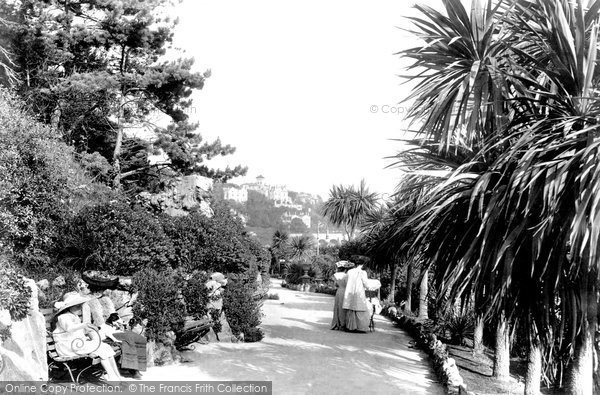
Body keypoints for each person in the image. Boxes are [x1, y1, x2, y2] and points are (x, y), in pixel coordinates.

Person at [78, 279, 147, 379]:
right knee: (129, 338)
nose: (100, 290)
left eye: (102, 288)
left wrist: (119, 323)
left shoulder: (106, 300)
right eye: (98, 288)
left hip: (113, 328)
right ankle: (133, 370)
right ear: (92, 288)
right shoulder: (87, 303)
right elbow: (86, 322)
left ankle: (134, 367)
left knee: (138, 338)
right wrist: (96, 331)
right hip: (102, 332)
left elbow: (114, 315)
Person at [53, 293, 122, 382]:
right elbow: (70, 328)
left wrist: (88, 329)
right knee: (101, 349)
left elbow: (79, 331)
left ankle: (115, 376)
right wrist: (84, 325)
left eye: (80, 306)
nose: (79, 308)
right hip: (68, 346)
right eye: (77, 306)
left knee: (106, 348)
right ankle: (112, 378)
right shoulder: (63, 317)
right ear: (69, 307)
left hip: (76, 343)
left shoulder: (74, 316)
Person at [342, 256, 372, 333]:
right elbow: (366, 283)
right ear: (362, 264)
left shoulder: (349, 272)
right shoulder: (362, 272)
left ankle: (350, 326)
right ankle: (360, 327)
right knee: (359, 308)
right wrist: (369, 286)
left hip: (350, 292)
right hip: (358, 292)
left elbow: (345, 281)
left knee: (351, 308)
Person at [331, 261, 350, 330]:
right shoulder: (346, 275)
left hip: (339, 291)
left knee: (337, 307)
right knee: (343, 307)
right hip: (345, 291)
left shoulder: (335, 275)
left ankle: (337, 323)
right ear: (345, 268)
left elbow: (335, 285)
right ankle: (343, 323)